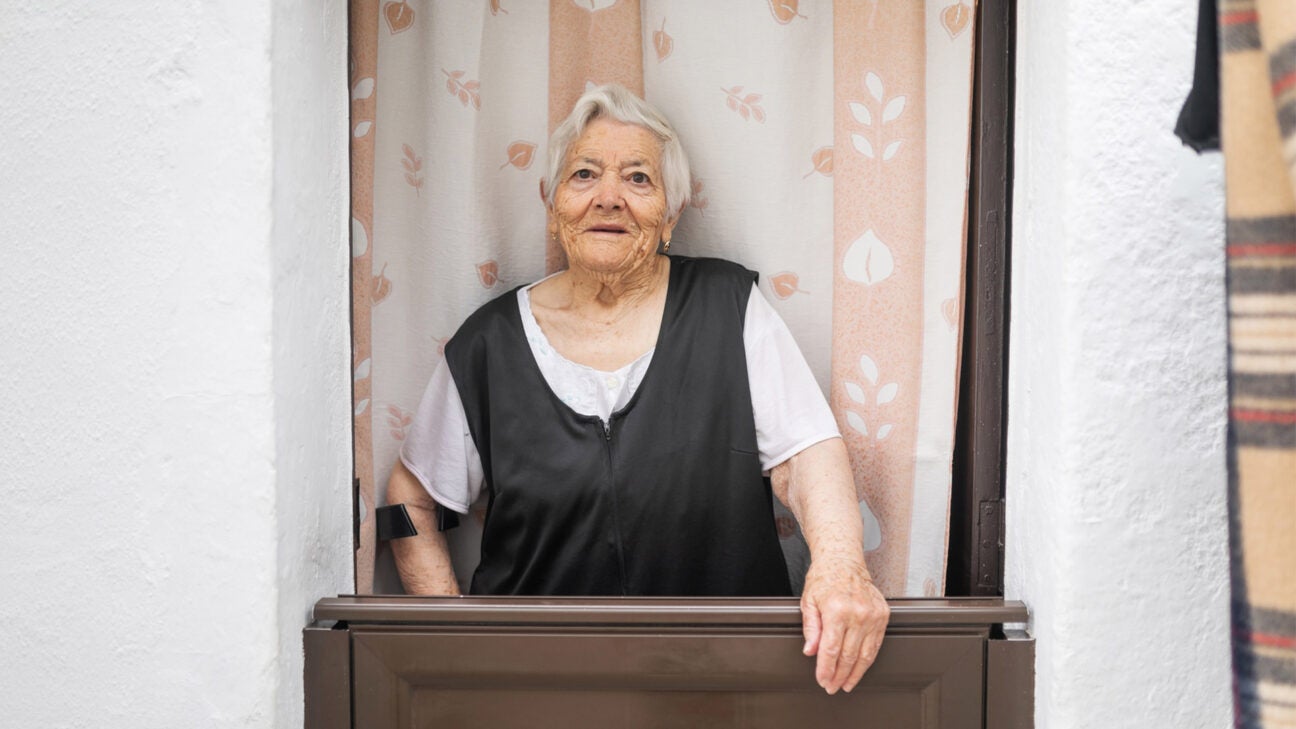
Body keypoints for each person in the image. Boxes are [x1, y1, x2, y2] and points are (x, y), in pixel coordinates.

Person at [386, 84, 889, 694]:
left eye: (638, 180)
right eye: (584, 174)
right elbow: (407, 501)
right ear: (552, 204)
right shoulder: (487, 344)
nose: (609, 198)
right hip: (538, 692)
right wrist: (452, 641)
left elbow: (807, 454)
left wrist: (840, 568)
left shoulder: (729, 310)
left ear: (671, 215)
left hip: (721, 685)